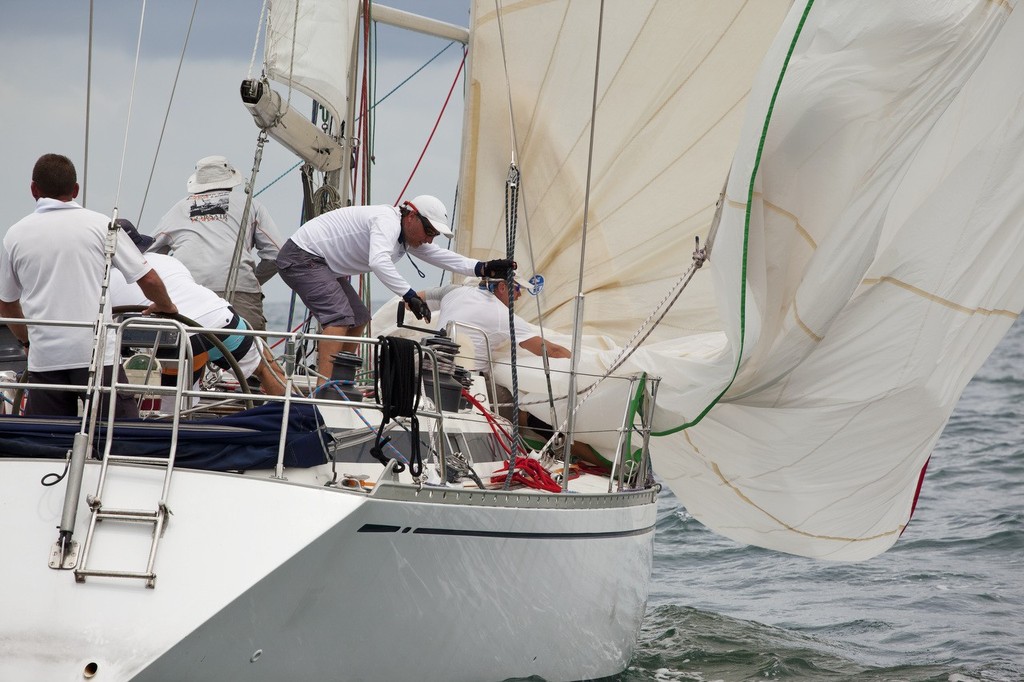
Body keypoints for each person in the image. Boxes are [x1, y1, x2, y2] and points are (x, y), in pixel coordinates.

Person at [0, 153, 177, 418]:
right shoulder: (100, 225)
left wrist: (26, 341)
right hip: (96, 356)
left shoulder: (14, 235)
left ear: (33, 189)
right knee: (122, 437)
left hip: (46, 359)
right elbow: (148, 278)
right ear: (75, 190)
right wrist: (166, 306)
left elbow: (7, 304)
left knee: (48, 442)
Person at [277, 195, 514, 381]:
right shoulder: (386, 221)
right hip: (302, 257)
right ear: (411, 215)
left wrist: (483, 268)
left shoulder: (406, 234)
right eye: (429, 231)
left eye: (435, 234)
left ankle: (341, 382)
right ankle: (325, 387)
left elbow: (441, 256)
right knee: (339, 317)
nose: (430, 239)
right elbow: (378, 261)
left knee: (359, 317)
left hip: (323, 265)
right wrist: (410, 296)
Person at [108, 234, 288, 398]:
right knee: (266, 368)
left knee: (173, 403)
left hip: (175, 341)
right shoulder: (166, 260)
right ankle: (297, 418)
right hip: (220, 319)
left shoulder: (106, 277)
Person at [151, 155, 282, 331]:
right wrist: (253, 280)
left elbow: (150, 253)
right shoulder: (251, 205)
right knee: (249, 354)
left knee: (187, 354)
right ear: (230, 180)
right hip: (240, 292)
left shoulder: (178, 209)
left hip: (189, 292)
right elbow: (276, 254)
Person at [419, 276, 570, 373]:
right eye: (517, 289)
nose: (520, 295)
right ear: (502, 287)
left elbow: (413, 299)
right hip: (467, 382)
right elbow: (552, 351)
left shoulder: (453, 291)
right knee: (519, 401)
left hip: (427, 369)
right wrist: (580, 363)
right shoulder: (503, 316)